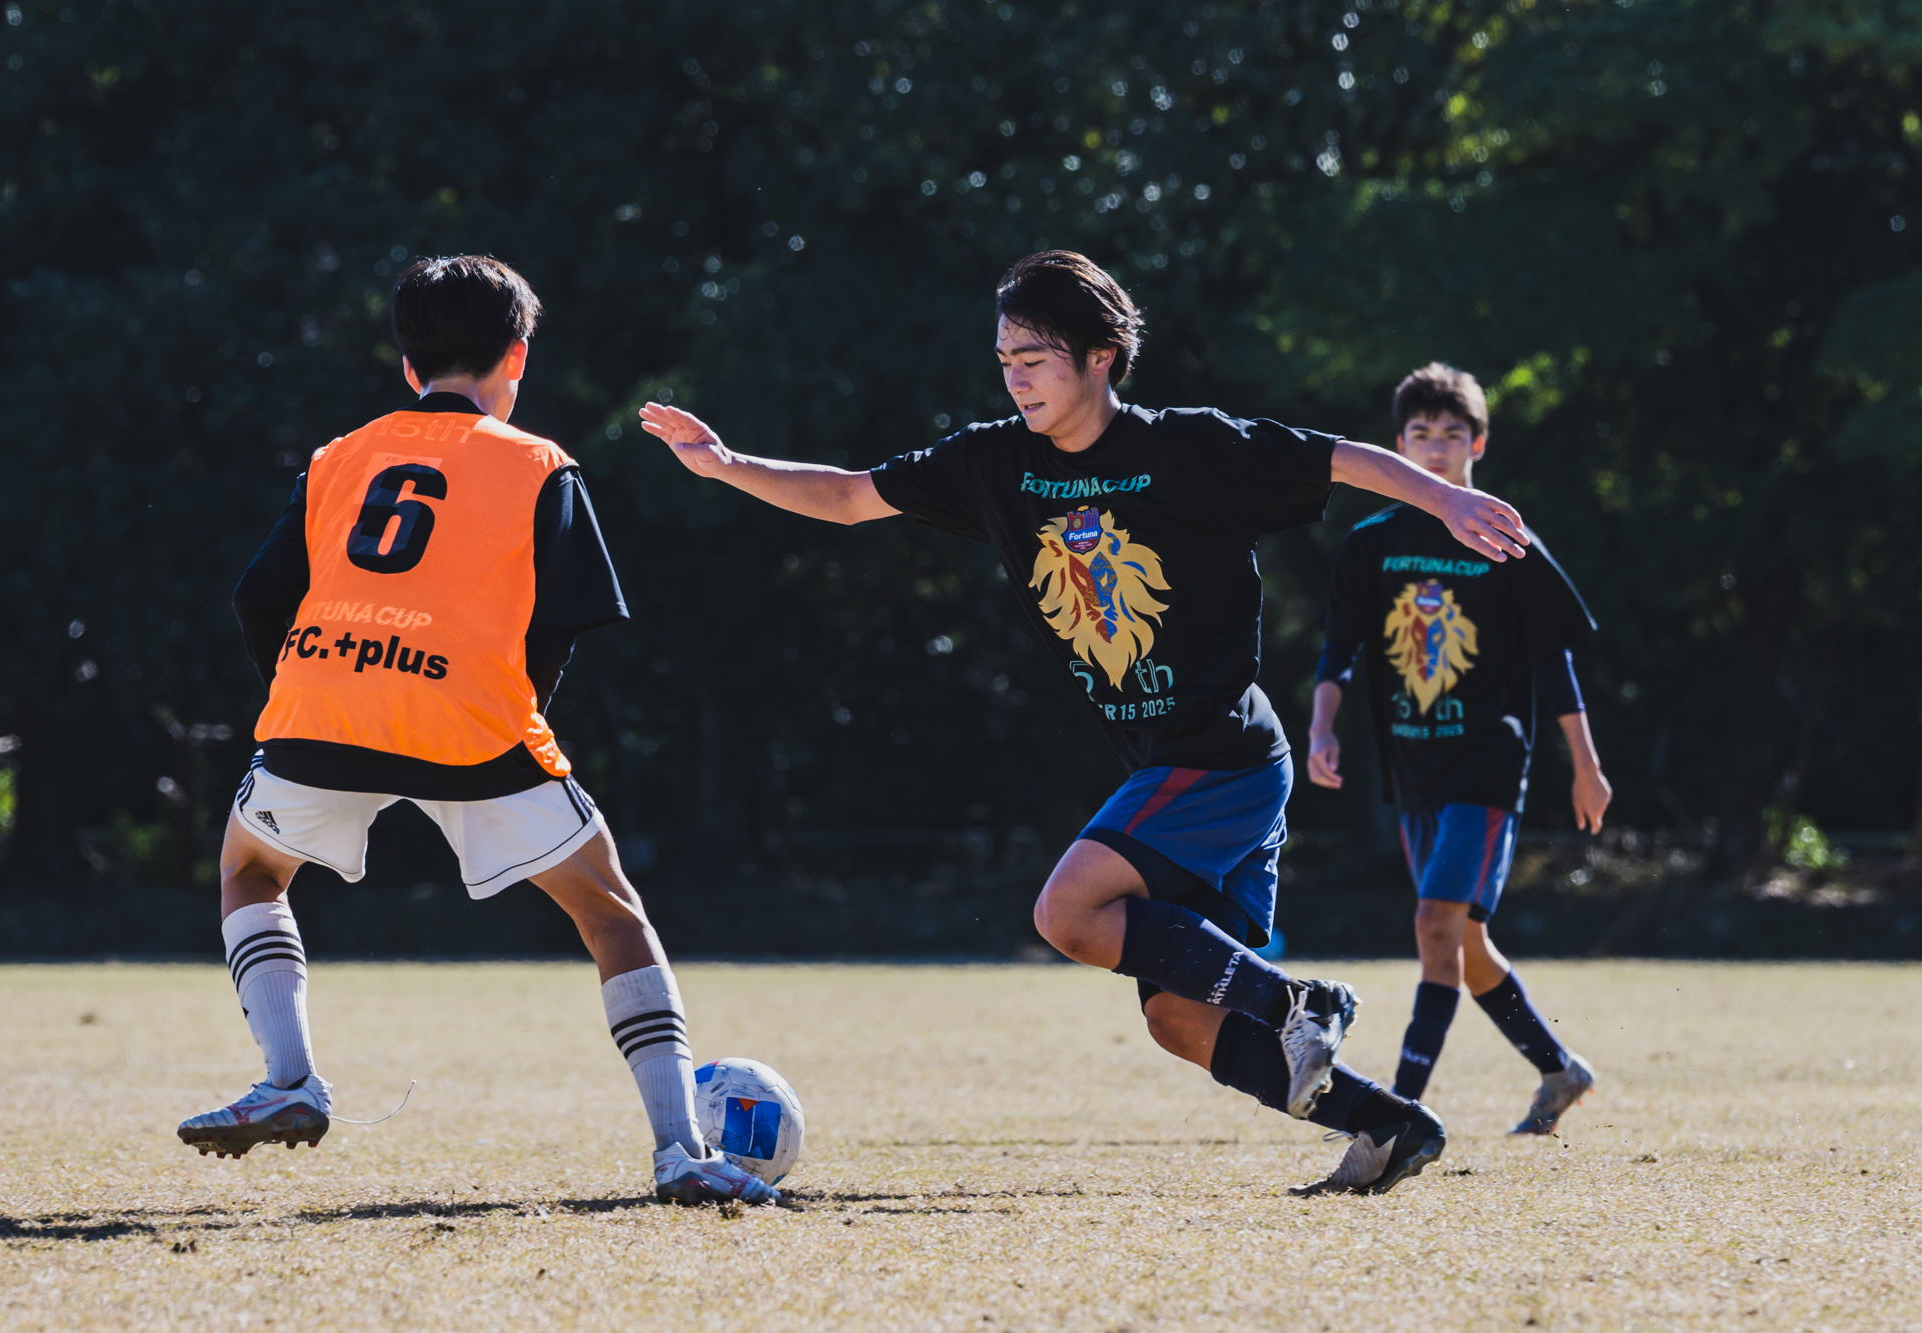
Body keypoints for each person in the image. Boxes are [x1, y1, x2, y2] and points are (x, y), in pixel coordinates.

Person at [639, 251, 1533, 1196]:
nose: (1015, 376)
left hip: (1223, 754)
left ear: (1101, 355)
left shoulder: (1189, 449)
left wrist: (1447, 497)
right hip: (1172, 764)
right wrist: (725, 465)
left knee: (1065, 911)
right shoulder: (994, 463)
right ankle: (1389, 1124)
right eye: (1005, 359)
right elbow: (852, 497)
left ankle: (1297, 1002)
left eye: (1034, 357)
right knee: (1179, 1019)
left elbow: (1336, 457)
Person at [178, 255, 777, 1207]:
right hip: (476, 726)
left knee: (249, 869)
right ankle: (680, 1150)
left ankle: (289, 1078)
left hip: (321, 706)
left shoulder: (338, 456)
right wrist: (490, 706)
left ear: (407, 364)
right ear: (518, 356)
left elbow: (258, 594)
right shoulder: (539, 464)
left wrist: (319, 694)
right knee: (611, 914)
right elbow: (563, 624)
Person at [1306, 362, 1612, 1136]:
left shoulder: (1502, 538)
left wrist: (1586, 764)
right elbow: (1340, 647)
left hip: (1487, 766)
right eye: (1420, 434)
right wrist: (1321, 725)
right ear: (1398, 444)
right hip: (1414, 771)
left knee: (1435, 924)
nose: (1436, 448)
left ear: (1478, 443)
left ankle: (1394, 1111)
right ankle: (1559, 1069)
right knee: (1465, 945)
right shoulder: (1371, 542)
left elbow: (1554, 659)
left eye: (1451, 434)